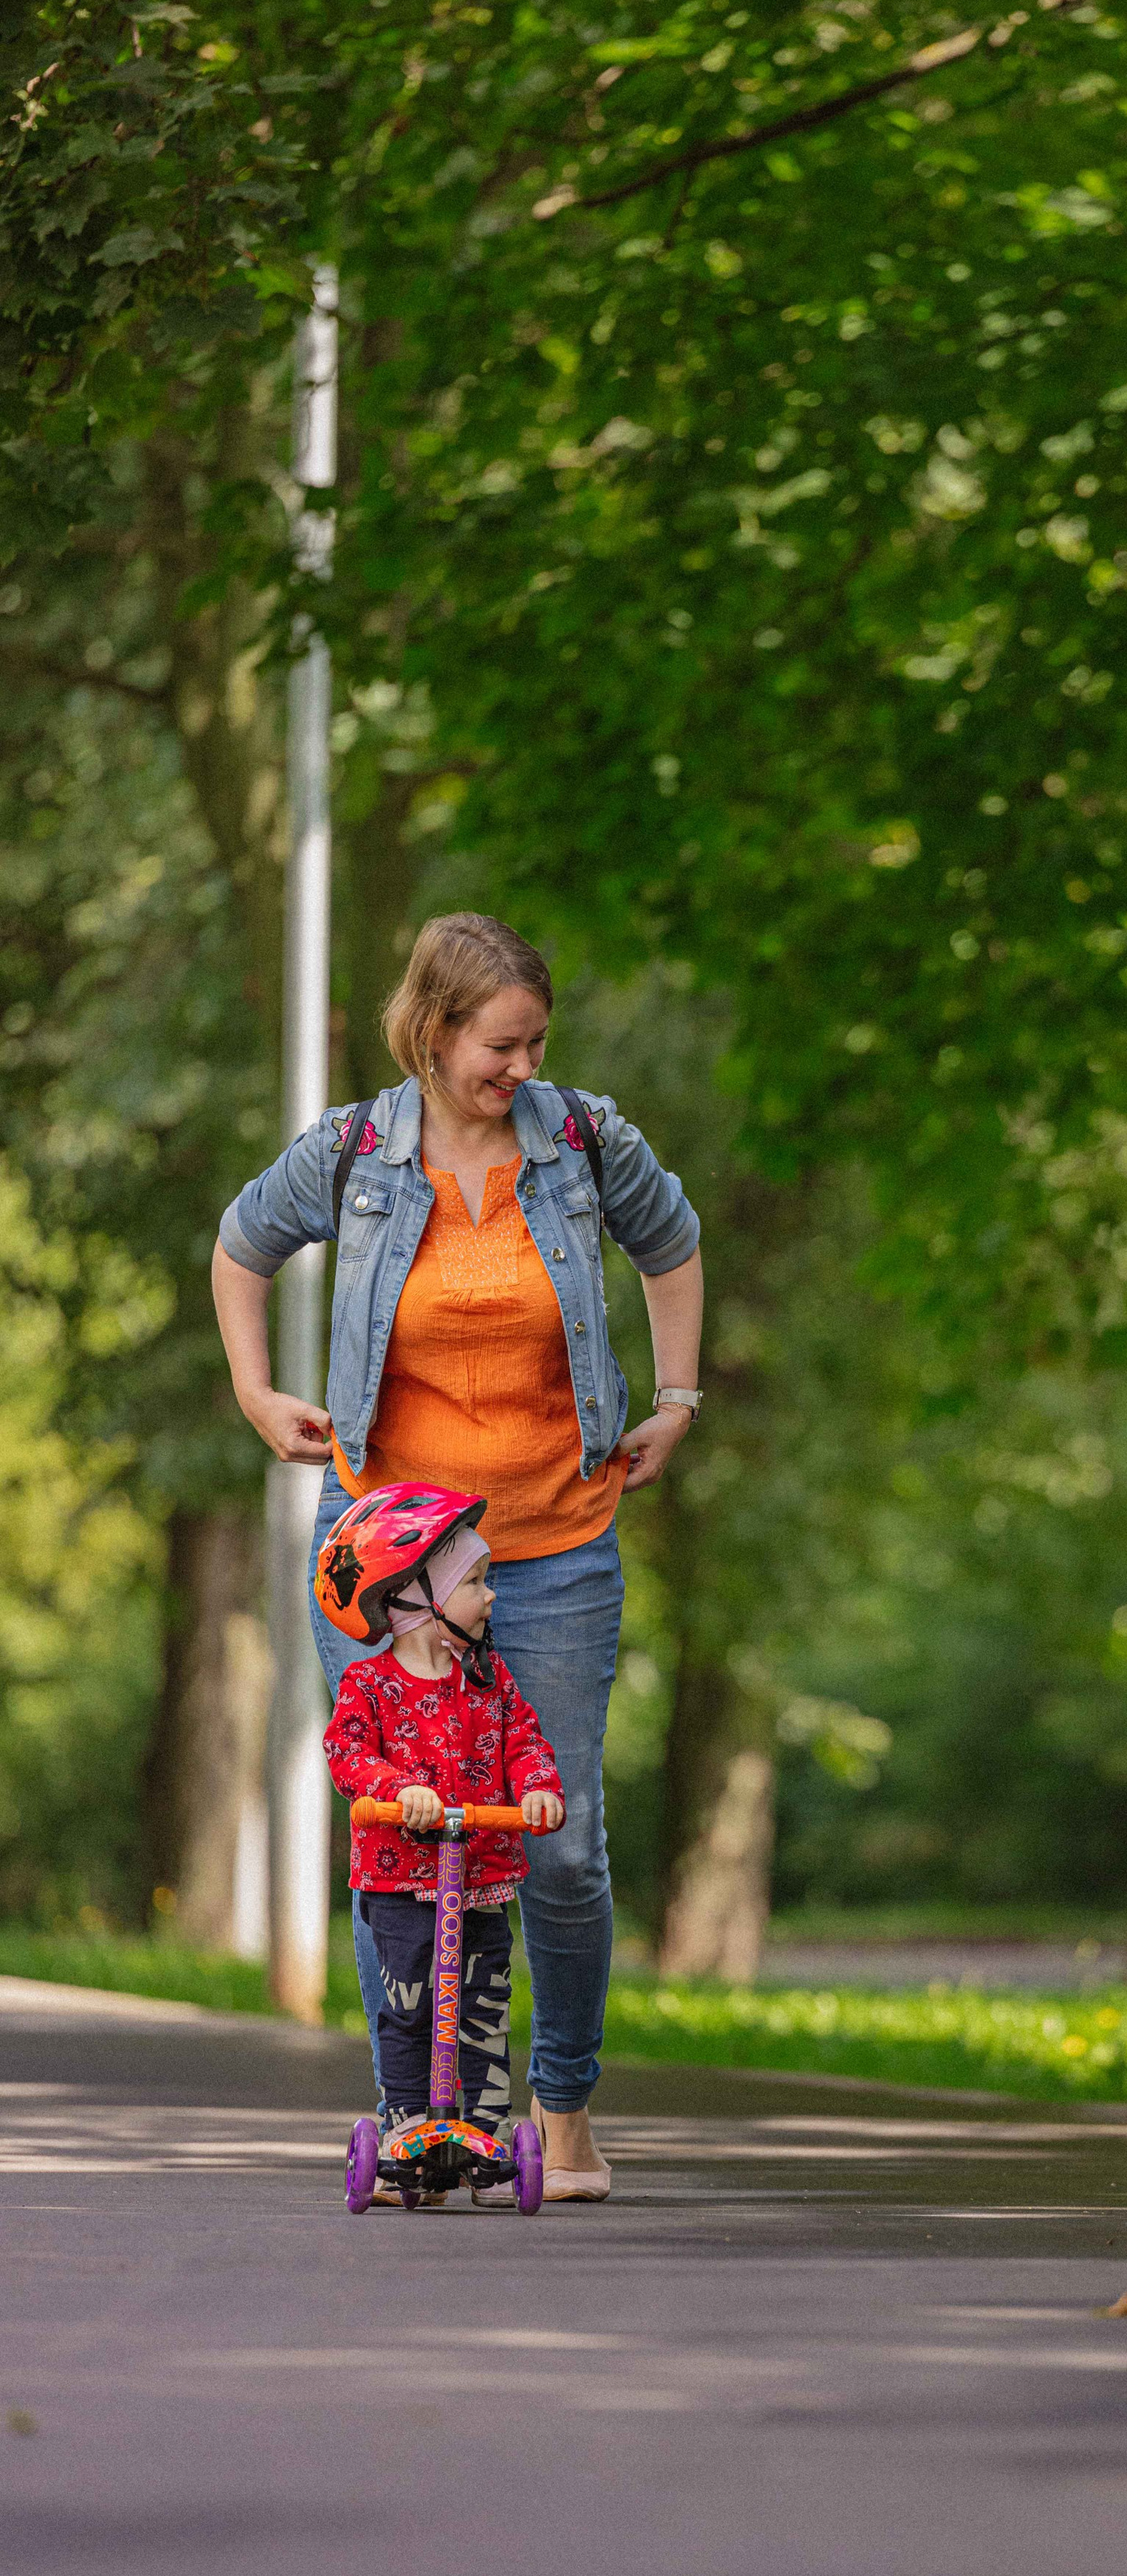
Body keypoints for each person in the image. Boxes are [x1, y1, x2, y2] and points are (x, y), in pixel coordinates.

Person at [212, 912, 703, 2200]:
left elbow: (675, 1241)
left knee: (558, 1841)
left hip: (551, 1543)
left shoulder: (584, 1137)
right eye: (500, 1042)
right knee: (403, 1823)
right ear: (434, 1031)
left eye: (537, 1040)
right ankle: (422, 2111)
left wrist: (679, 1397)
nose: (521, 1065)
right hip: (383, 1551)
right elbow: (240, 1245)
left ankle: (566, 2105)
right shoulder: (355, 1150)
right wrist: (261, 1396)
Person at [319, 1486, 562, 2192]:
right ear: (417, 1596)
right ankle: (404, 2129)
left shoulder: (489, 1684)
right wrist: (399, 1792)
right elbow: (349, 1755)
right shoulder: (369, 1686)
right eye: (477, 1582)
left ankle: (482, 2137)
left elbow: (524, 1741)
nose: (492, 1598)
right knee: (411, 2004)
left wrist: (538, 1787)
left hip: (480, 1880)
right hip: (399, 1883)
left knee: (482, 2004)